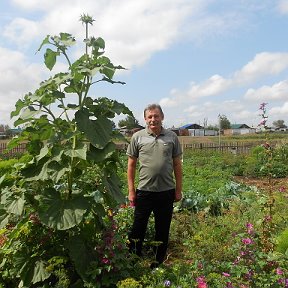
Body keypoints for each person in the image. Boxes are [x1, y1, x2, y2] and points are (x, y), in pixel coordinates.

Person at [126, 103, 182, 268]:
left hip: (166, 192)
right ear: (145, 119)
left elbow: (177, 165)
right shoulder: (138, 137)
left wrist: (178, 190)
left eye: (156, 116)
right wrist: (131, 191)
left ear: (162, 117)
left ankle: (158, 263)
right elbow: (131, 165)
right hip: (144, 191)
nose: (153, 119)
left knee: (162, 229)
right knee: (138, 228)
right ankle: (133, 260)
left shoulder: (172, 137)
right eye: (150, 116)